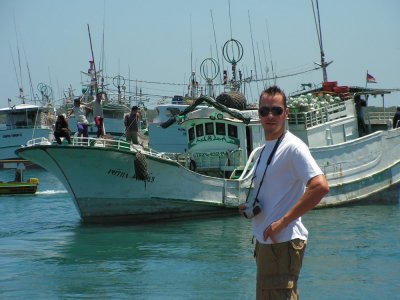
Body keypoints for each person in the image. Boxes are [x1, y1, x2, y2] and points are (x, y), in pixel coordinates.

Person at [239, 86, 329, 300]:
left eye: (276, 111)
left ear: (286, 114)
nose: (270, 116)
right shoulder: (264, 149)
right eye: (264, 111)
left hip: (283, 243)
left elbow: (320, 186)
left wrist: (283, 221)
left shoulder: (293, 147)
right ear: (258, 114)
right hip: (267, 244)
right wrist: (250, 208)